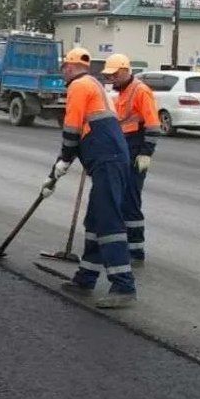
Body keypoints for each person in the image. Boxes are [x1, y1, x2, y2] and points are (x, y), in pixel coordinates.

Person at [45, 47, 137, 308]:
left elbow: (72, 128)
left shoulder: (77, 87)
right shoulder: (94, 84)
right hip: (110, 158)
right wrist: (64, 162)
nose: (63, 72)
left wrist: (63, 160)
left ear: (71, 67)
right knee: (95, 219)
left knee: (108, 221)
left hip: (107, 160)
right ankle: (85, 277)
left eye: (64, 67)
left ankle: (124, 285)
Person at [102, 53, 160, 265]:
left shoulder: (140, 90)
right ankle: (124, 245)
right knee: (120, 200)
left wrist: (146, 153)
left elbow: (153, 125)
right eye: (109, 75)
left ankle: (136, 251)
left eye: (115, 74)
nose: (112, 79)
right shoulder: (119, 91)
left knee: (130, 202)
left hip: (136, 151)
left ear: (126, 71)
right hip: (123, 149)